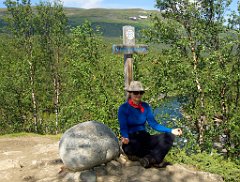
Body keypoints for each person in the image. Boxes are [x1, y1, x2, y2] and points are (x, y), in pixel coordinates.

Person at [118, 81, 182, 168]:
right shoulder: (123, 108)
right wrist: (125, 137)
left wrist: (171, 130)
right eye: (136, 92)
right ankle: (153, 159)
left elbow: (154, 124)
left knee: (169, 136)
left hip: (144, 137)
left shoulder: (145, 106)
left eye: (141, 92)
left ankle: (149, 159)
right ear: (130, 93)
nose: (138, 95)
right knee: (133, 147)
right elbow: (123, 127)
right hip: (131, 140)